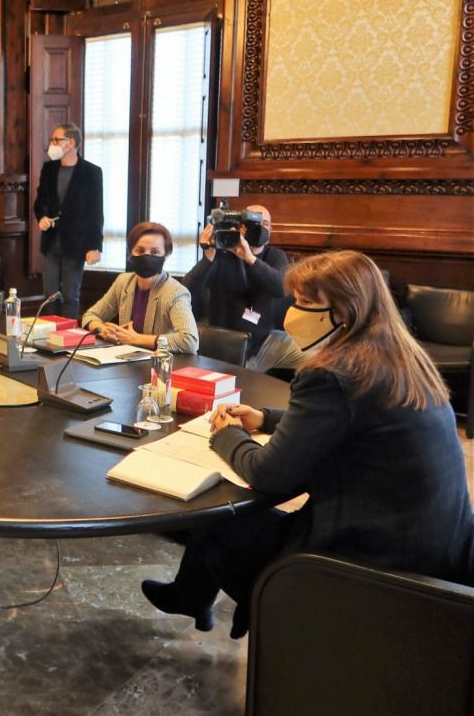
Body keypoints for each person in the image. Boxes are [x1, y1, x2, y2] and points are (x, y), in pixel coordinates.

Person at [142, 250, 474, 639]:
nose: (292, 311)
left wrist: (226, 434)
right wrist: (265, 417)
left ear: (345, 310)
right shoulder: (397, 357)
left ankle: (228, 601)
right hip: (436, 545)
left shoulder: (334, 374)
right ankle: (191, 596)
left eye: (305, 302)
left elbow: (268, 474)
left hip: (368, 554)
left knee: (218, 522)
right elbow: (352, 420)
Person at [183, 205, 300, 371]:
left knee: (321, 357)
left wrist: (249, 258)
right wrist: (208, 257)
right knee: (237, 379)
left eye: (265, 223)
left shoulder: (275, 255)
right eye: (254, 223)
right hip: (230, 345)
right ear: (242, 228)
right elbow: (189, 290)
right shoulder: (222, 254)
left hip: (265, 341)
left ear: (270, 230)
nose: (259, 227)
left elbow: (280, 288)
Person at [81, 222, 199, 353]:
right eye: (140, 250)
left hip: (158, 362)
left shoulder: (175, 292)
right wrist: (104, 331)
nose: (146, 256)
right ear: (130, 253)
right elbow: (90, 316)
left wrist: (135, 339)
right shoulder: (123, 282)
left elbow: (190, 341)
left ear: (166, 255)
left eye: (155, 252)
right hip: (124, 359)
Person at [34, 123, 104, 320]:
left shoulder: (91, 172)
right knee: (49, 295)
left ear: (71, 143)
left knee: (70, 295)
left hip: (76, 242)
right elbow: (40, 201)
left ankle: (69, 334)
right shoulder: (49, 168)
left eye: (57, 140)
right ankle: (49, 333)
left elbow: (96, 211)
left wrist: (95, 246)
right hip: (50, 240)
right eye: (52, 140)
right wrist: (42, 217)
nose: (52, 144)